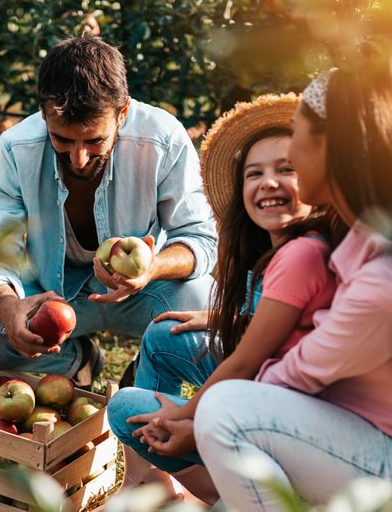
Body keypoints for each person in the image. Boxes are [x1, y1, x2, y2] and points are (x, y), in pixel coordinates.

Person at [183, 67, 392, 511]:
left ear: (330, 149)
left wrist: (194, 423)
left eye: (297, 138)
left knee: (225, 413)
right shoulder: (369, 236)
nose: (292, 157)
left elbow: (295, 377)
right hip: (386, 447)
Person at [105, 94, 343, 503]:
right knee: (164, 335)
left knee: (128, 410)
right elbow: (278, 318)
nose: (269, 182)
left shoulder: (302, 255)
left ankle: (225, 494)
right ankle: (156, 483)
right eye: (255, 173)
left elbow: (248, 362)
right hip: (266, 396)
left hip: (277, 415)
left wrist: (186, 418)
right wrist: (219, 317)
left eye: (287, 169)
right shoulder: (281, 249)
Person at [0, 36, 217, 387]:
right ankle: (78, 362)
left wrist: (152, 267)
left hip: (140, 292)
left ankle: (147, 367)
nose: (79, 158)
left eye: (94, 141)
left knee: (202, 303)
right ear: (43, 113)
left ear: (123, 112)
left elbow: (200, 239)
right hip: (52, 290)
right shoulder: (15, 149)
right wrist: (9, 308)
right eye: (63, 140)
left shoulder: (163, 139)